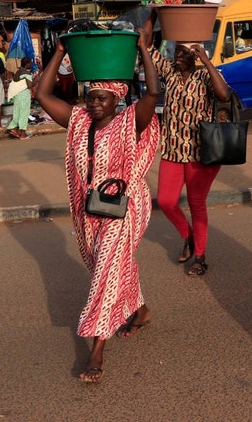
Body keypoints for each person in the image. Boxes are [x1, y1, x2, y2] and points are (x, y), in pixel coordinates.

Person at [35, 33, 160, 383]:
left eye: (101, 98)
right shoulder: (78, 123)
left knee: (105, 274)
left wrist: (144, 50)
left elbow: (151, 93)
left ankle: (96, 351)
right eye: (90, 98)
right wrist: (60, 51)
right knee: (109, 267)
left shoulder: (130, 123)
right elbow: (43, 95)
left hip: (127, 209)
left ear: (116, 99)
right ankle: (141, 310)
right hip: (90, 210)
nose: (94, 104)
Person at [138, 12, 232, 277]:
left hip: (202, 152)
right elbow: (145, 44)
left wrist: (207, 62)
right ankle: (189, 237)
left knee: (197, 203)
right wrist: (154, 13)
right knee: (167, 202)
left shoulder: (204, 77)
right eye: (175, 52)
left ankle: (200, 256)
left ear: (194, 56)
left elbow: (224, 94)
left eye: (182, 53)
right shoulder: (170, 73)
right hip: (173, 150)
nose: (176, 57)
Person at [6, 57, 35, 140]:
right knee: (24, 113)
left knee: (17, 112)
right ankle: (22, 134)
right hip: (24, 95)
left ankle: (14, 128)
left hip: (17, 95)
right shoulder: (26, 73)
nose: (31, 64)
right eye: (30, 63)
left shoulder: (18, 72)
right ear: (27, 64)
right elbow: (29, 86)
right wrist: (36, 79)